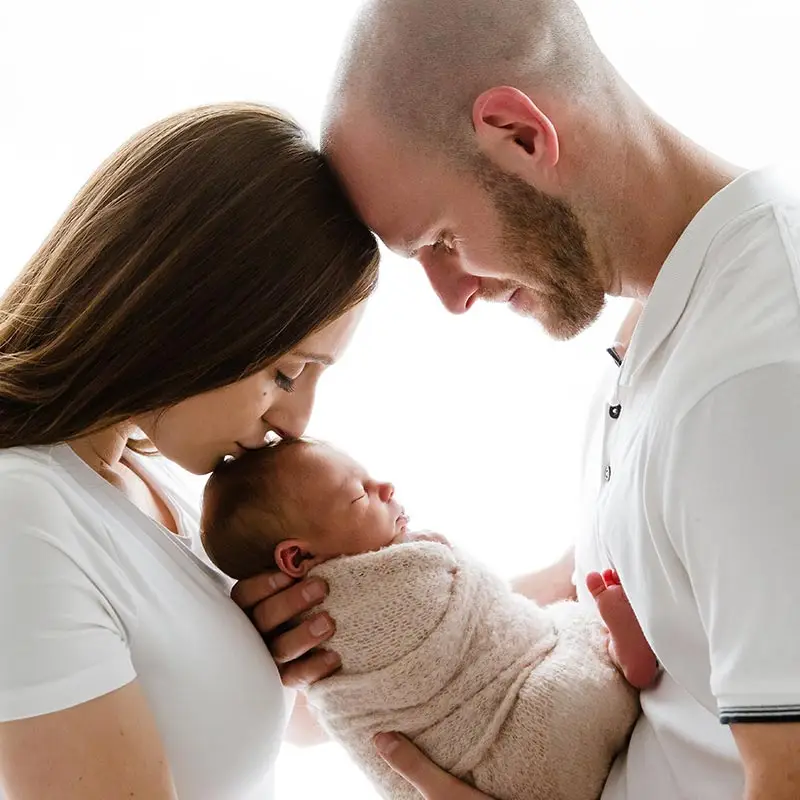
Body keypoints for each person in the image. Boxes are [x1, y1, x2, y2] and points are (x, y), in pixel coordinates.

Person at [236, 1, 800, 798]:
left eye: (439, 240)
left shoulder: (756, 369)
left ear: (521, 136)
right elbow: (629, 592)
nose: (453, 297)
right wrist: (344, 638)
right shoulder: (668, 324)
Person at [0, 102, 379, 800]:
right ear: (187, 313)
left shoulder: (143, 485)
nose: (298, 422)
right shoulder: (21, 513)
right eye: (286, 374)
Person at [201, 438, 648, 800]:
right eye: (360, 494)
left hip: (485, 782)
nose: (385, 487)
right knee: (576, 628)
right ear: (296, 556)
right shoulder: (397, 580)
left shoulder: (303, 633)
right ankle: (623, 655)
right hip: (555, 716)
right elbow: (481, 612)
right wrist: (440, 554)